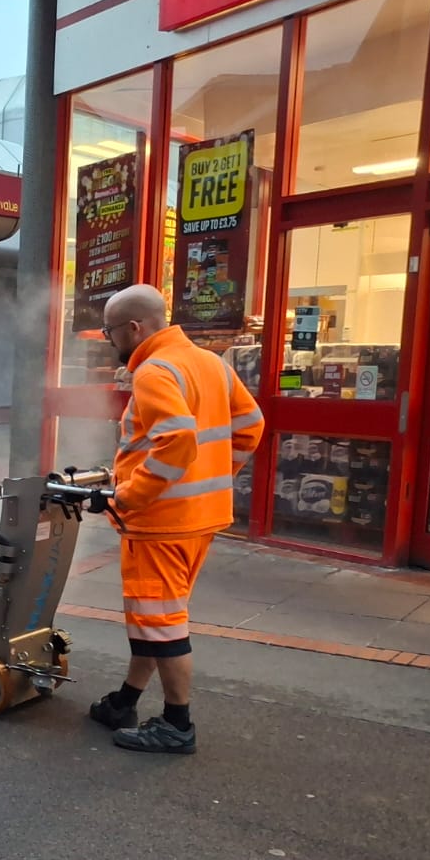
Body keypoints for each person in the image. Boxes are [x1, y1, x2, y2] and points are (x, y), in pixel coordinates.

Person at [87, 283, 264, 754]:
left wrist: (129, 496)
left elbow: (178, 439)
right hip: (200, 517)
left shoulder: (153, 370)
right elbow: (251, 426)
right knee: (155, 618)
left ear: (134, 327)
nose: (109, 340)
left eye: (109, 332)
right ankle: (125, 700)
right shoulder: (210, 362)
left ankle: (177, 724)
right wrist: (217, 475)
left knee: (162, 625)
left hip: (161, 522)